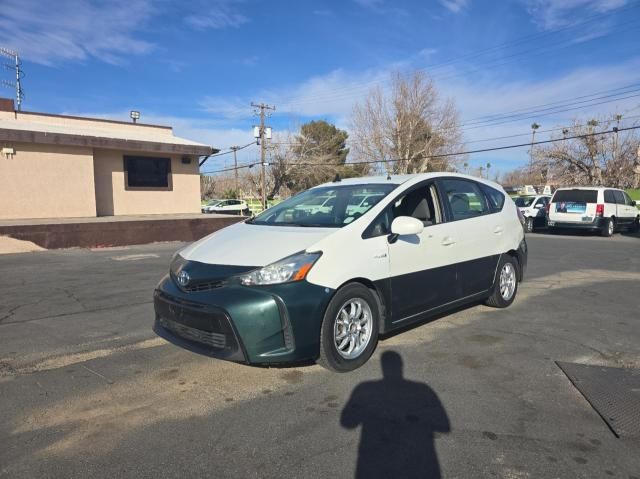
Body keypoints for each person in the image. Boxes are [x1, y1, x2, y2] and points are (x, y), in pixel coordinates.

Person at [341, 351, 450, 479]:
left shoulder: (363, 388)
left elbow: (347, 423)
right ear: (401, 366)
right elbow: (444, 426)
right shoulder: (423, 389)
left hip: (373, 465)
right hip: (415, 465)